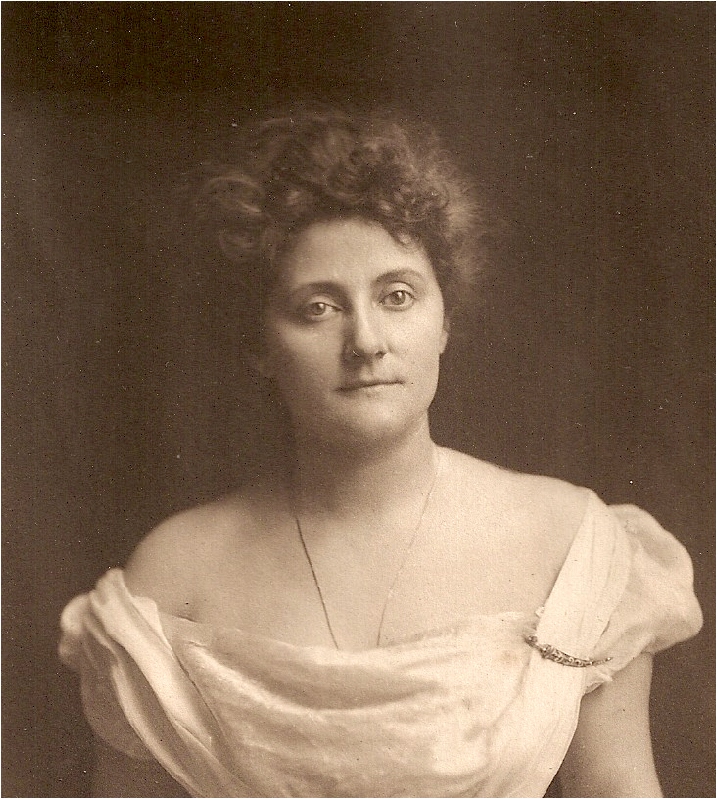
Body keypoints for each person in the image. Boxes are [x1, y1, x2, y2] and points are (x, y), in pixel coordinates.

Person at [59, 107, 702, 798]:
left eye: (397, 296)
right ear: (260, 346)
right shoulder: (175, 574)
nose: (366, 341)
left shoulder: (570, 542)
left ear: (445, 320)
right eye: (318, 307)